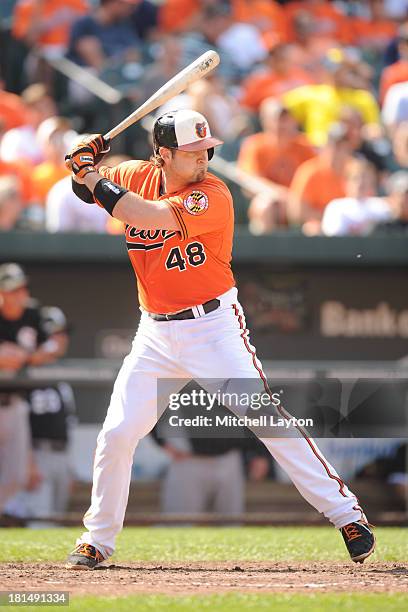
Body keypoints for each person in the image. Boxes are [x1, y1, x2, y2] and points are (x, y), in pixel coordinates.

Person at [64, 109, 375, 569]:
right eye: (192, 153)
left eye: (207, 150)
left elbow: (142, 216)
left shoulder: (212, 194)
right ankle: (97, 539)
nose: (203, 159)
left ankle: (347, 514)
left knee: (267, 419)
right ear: (163, 155)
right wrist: (80, 163)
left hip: (213, 329)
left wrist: (90, 174)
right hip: (155, 332)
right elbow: (84, 189)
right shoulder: (134, 174)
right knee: (117, 433)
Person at [0, 263, 67, 518]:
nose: (20, 294)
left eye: (22, 288)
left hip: (15, 403)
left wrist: (27, 356)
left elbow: (56, 345)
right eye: (13, 289)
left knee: (16, 475)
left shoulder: (33, 314)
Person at [321, 157, 392, 236]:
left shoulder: (381, 206)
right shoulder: (335, 206)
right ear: (346, 182)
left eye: (365, 178)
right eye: (355, 178)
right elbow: (334, 235)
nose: (360, 183)